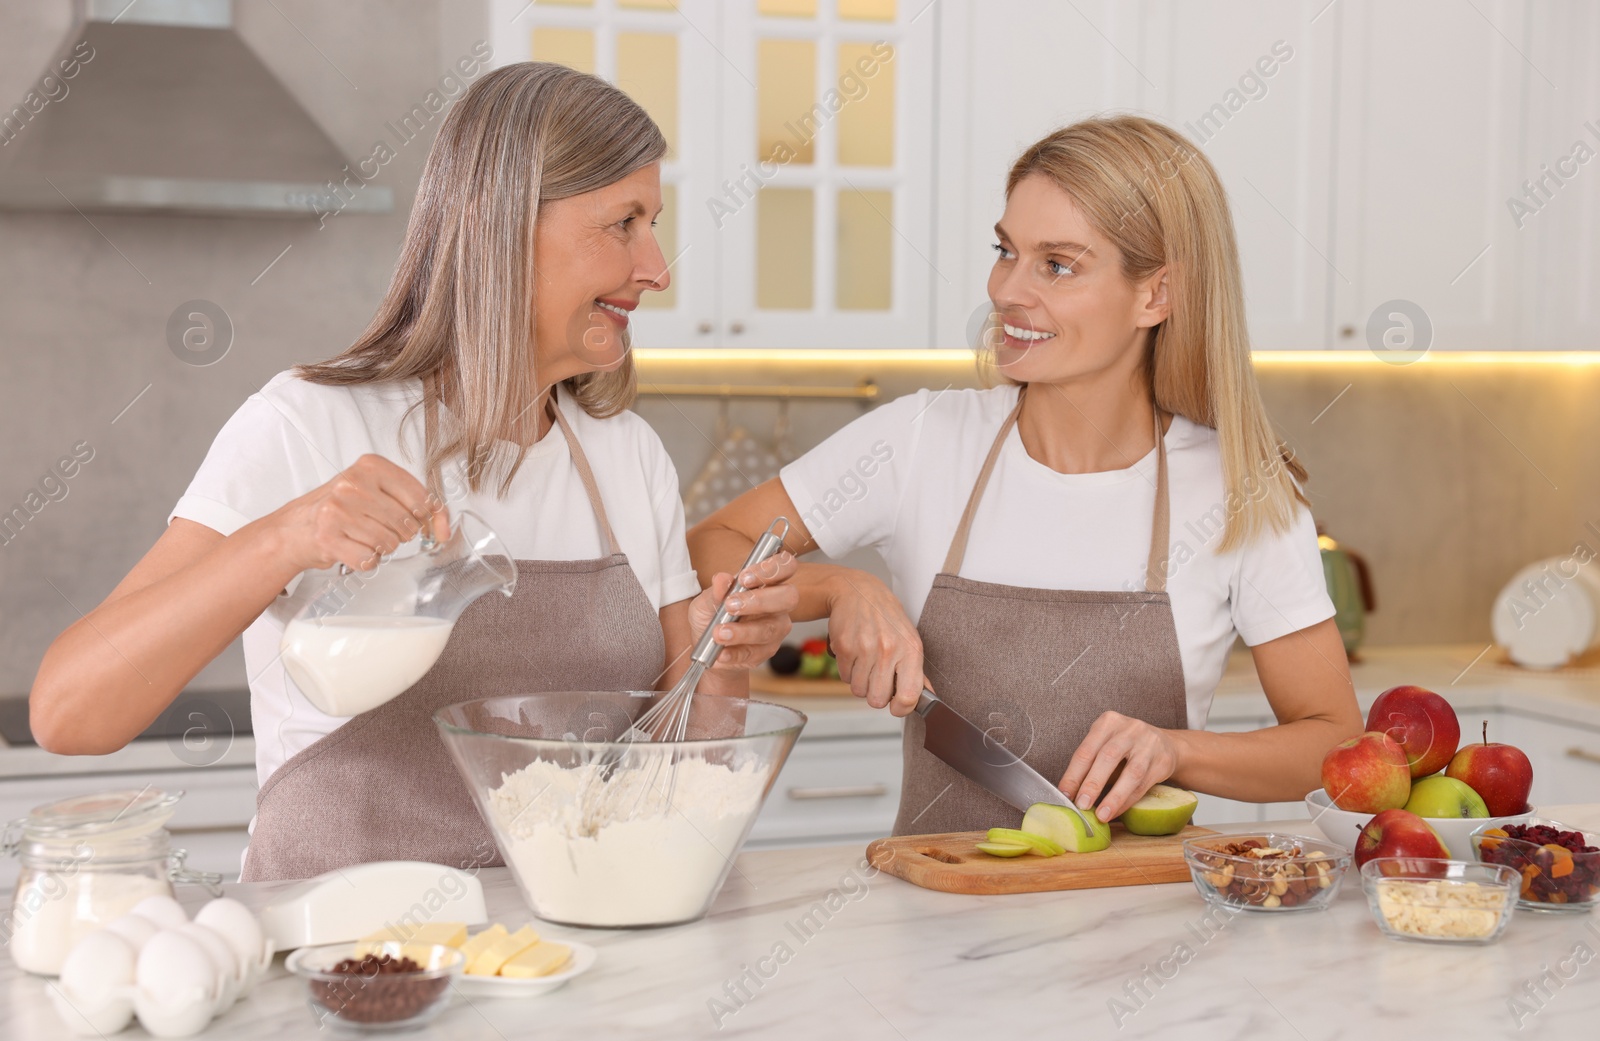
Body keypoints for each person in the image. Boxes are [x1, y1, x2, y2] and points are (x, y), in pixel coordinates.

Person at [31, 63, 798, 879]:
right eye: (623, 223)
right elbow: (69, 710)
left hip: (555, 966)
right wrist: (283, 538)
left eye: (655, 223)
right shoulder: (308, 422)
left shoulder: (627, 457)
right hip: (340, 968)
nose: (657, 267)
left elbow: (684, 761)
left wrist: (734, 659)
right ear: (494, 225)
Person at [689, 116, 1361, 835]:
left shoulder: (1239, 491)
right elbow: (711, 542)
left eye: (1058, 264)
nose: (1008, 289)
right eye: (1005, 251)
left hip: (1142, 924)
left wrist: (1175, 751)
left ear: (1156, 295)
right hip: (937, 919)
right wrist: (839, 587)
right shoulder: (921, 439)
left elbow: (1335, 744)